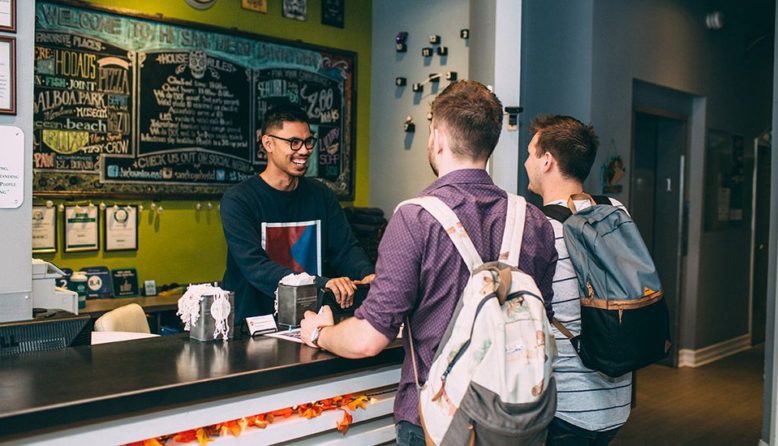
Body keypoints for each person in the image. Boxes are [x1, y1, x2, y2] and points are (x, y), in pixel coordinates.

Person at [299, 81, 558, 445]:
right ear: (490, 142)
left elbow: (368, 340)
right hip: (519, 420)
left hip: (439, 422)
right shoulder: (534, 221)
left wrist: (319, 332)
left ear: (437, 136)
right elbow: (539, 316)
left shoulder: (414, 219)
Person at [524, 114, 632, 445]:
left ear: (547, 160)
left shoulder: (538, 227)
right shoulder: (615, 210)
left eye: (530, 153)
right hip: (617, 403)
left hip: (568, 408)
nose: (526, 162)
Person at [220, 103, 375, 325]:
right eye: (294, 142)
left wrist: (366, 274)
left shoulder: (321, 195)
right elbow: (255, 267)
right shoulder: (239, 200)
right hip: (254, 325)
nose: (303, 150)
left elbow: (345, 248)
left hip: (310, 321)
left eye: (308, 142)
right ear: (268, 143)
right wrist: (322, 283)